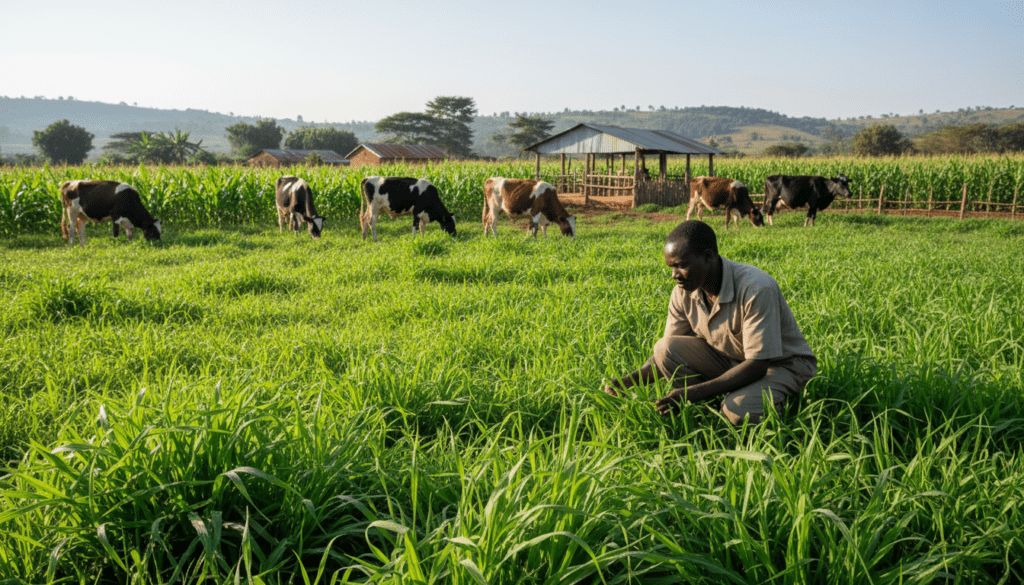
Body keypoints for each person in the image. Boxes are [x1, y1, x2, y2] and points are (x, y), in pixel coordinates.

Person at [604, 220, 816, 425]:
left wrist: (692, 393)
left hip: (779, 365)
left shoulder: (756, 288)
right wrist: (627, 382)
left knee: (740, 411)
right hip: (732, 359)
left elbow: (758, 364)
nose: (674, 275)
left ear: (708, 257)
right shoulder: (683, 291)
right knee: (664, 347)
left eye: (681, 265)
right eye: (671, 267)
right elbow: (666, 354)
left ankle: (777, 401)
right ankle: (710, 406)